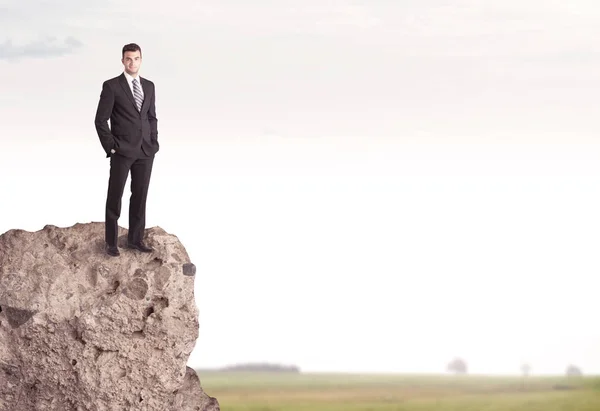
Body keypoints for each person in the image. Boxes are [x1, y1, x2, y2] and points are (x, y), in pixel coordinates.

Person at [94, 43, 159, 257]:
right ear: (123, 60)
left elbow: (151, 117)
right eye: (129, 59)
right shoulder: (112, 86)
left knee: (140, 196)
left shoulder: (149, 86)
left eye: (136, 58)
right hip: (121, 150)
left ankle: (135, 240)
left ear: (141, 60)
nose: (132, 62)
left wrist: (154, 142)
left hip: (145, 151)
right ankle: (111, 242)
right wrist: (111, 147)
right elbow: (100, 120)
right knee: (115, 196)